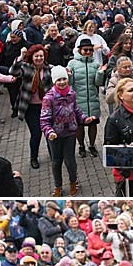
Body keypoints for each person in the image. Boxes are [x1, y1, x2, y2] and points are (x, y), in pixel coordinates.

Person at [40, 65, 96, 199]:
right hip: (54, 135)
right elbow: (44, 119)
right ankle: (58, 186)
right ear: (54, 81)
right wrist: (49, 132)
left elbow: (76, 111)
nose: (62, 82)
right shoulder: (49, 98)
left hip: (70, 132)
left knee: (70, 160)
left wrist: (84, 119)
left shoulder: (72, 93)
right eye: (58, 80)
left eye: (64, 79)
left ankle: (73, 182)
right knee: (56, 162)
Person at [9, 44, 52, 169]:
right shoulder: (26, 67)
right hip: (30, 107)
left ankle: (53, 154)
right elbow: (13, 71)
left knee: (49, 131)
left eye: (41, 56)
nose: (39, 58)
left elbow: (58, 79)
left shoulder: (49, 68)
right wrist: (20, 57)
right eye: (36, 56)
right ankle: (34, 157)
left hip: (46, 107)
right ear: (31, 57)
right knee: (36, 133)